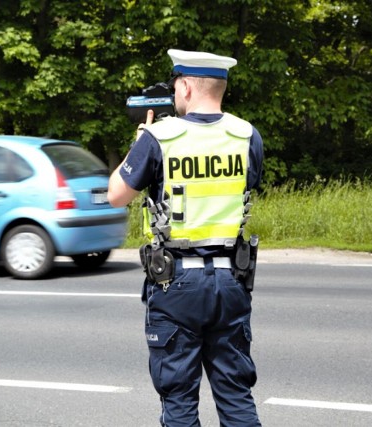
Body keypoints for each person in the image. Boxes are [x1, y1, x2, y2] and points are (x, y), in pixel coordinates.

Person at [108, 49, 264, 426]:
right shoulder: (247, 135)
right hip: (231, 280)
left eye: (177, 86)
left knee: (179, 400)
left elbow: (116, 194)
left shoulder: (159, 137)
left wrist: (140, 141)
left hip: (175, 284)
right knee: (236, 394)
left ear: (187, 87)